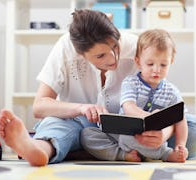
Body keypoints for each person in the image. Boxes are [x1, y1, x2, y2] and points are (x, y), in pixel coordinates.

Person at [0, 9, 196, 166]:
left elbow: (169, 104)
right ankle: (37, 150)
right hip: (79, 124)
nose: (113, 58)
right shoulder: (65, 49)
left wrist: (164, 133)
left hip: (133, 132)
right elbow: (40, 106)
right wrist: (81, 108)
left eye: (114, 47)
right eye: (101, 55)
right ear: (80, 53)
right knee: (59, 129)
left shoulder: (139, 49)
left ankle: (82, 151)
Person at [81, 29, 188, 162]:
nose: (156, 69)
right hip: (123, 134)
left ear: (171, 62)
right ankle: (124, 155)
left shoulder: (172, 92)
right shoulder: (131, 82)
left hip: (151, 138)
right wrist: (150, 118)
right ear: (138, 62)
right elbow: (128, 107)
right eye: (150, 64)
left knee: (142, 139)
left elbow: (180, 119)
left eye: (163, 64)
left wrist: (180, 145)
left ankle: (164, 153)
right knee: (88, 134)